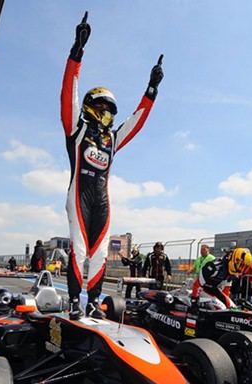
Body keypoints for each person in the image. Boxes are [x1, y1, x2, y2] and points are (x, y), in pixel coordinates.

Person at [61, 12, 163, 320]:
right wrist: (76, 53)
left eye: (110, 110)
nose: (107, 113)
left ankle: (93, 302)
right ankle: (73, 303)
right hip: (78, 196)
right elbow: (69, 95)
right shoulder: (76, 130)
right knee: (79, 251)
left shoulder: (112, 139)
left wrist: (151, 91)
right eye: (102, 107)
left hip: (103, 200)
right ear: (92, 107)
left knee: (100, 253)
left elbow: (136, 121)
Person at [190, 247, 252, 313]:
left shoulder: (231, 272)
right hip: (203, 290)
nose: (241, 268)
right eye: (240, 264)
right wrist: (194, 301)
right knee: (222, 308)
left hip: (214, 290)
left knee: (233, 308)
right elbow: (197, 284)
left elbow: (226, 290)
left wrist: (226, 302)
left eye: (243, 266)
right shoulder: (213, 267)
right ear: (235, 260)